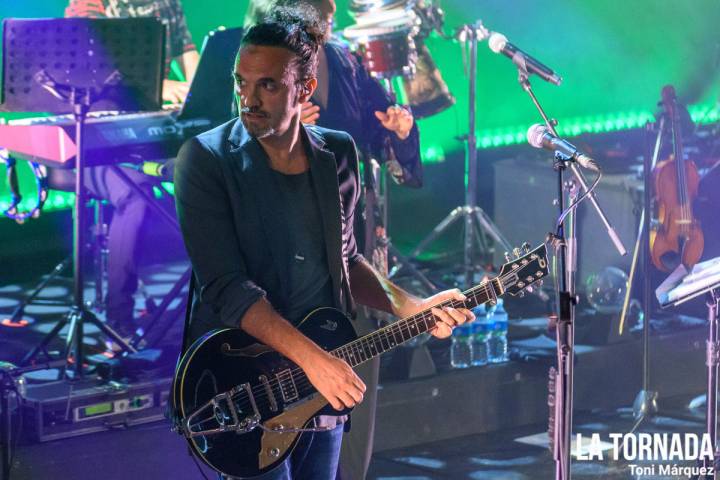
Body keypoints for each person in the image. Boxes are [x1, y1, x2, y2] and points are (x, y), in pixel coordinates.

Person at [173, 6, 473, 480]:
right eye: (241, 83)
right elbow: (227, 288)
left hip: (322, 372)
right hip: (247, 381)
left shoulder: (337, 152)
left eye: (267, 85)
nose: (248, 100)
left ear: (305, 89)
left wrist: (409, 306)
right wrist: (316, 363)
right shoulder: (204, 160)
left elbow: (348, 260)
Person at [245, 2, 424, 477]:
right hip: (285, 240)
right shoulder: (259, 64)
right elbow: (233, 145)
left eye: (328, 22)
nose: (327, 30)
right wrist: (284, 122)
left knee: (357, 352)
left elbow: (380, 129)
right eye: (319, 21)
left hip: (350, 227)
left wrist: (401, 131)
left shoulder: (342, 59)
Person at [49, 0, 200, 340]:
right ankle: (119, 319)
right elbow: (95, 67)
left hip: (148, 139)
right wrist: (159, 89)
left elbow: (192, 66)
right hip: (93, 144)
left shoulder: (167, 4)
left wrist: (198, 93)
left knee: (214, 169)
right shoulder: (90, 4)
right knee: (133, 195)